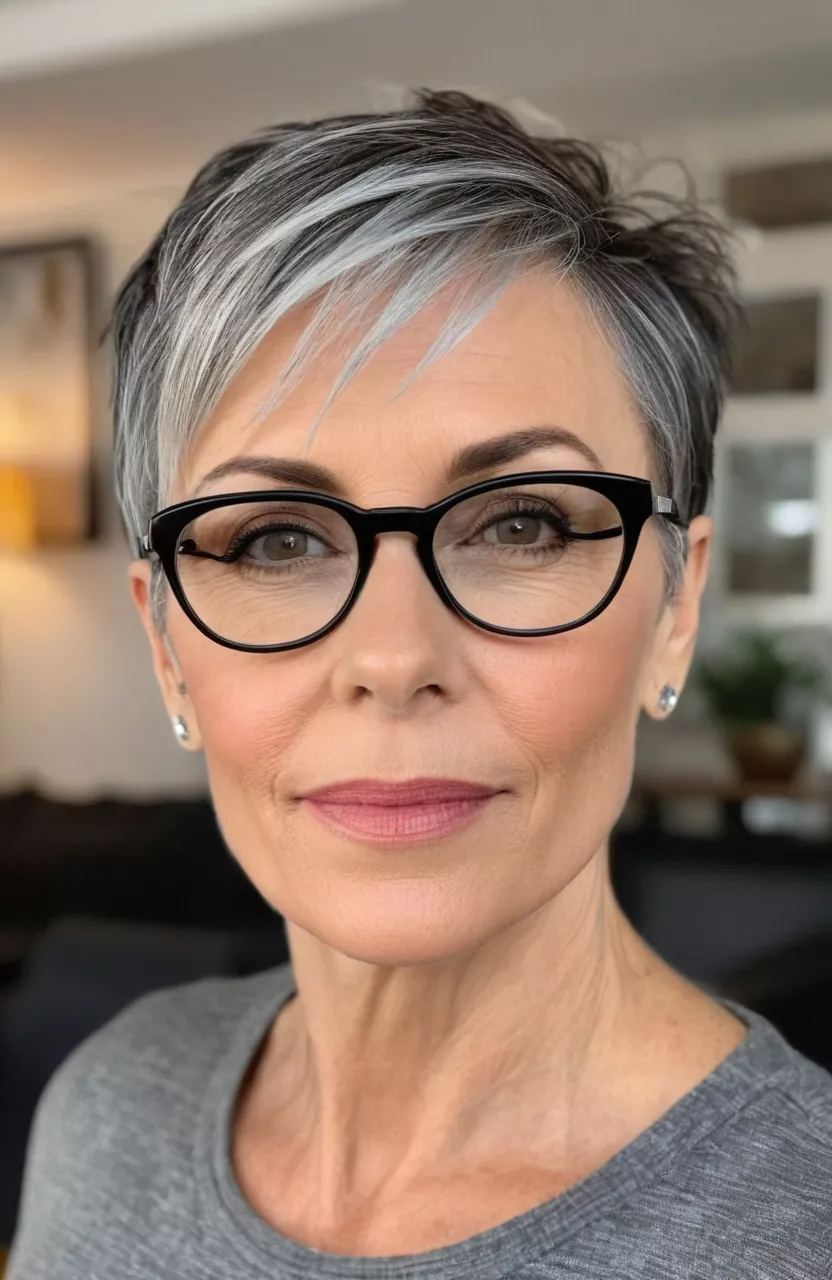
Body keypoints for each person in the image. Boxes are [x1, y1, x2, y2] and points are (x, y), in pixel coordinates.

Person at [8, 89, 832, 1279]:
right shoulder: (107, 1100)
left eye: (523, 523)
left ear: (674, 610)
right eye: (275, 539)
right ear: (167, 644)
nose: (395, 657)